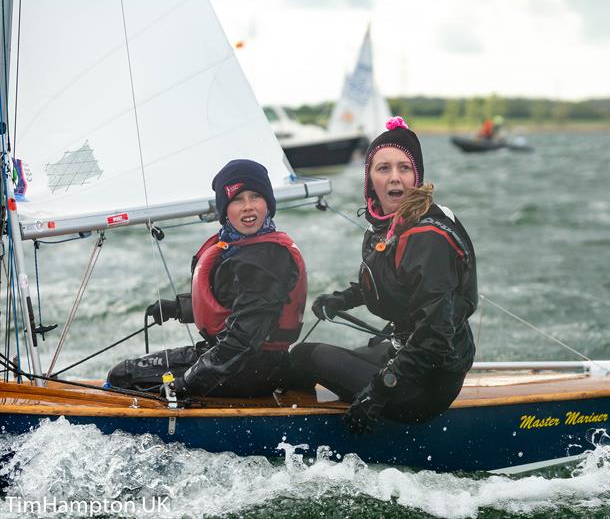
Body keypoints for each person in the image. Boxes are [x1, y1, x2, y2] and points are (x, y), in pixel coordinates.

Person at [290, 116, 478, 434]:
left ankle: (290, 428)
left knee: (303, 356)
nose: (395, 178)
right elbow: (392, 282)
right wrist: (342, 299)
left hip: (425, 385)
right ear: (370, 180)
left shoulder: (426, 236)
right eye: (383, 168)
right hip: (406, 354)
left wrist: (378, 392)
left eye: (404, 168)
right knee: (335, 358)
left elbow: (434, 336)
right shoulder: (387, 224)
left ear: (416, 176)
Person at [107, 159, 308, 399]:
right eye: (236, 199)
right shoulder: (239, 248)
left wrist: (189, 381)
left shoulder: (267, 259)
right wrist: (180, 308)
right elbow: (233, 302)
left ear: (268, 203)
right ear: (225, 209)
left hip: (250, 370)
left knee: (124, 376)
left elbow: (244, 340)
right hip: (239, 363)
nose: (248, 207)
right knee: (126, 375)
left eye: (256, 196)